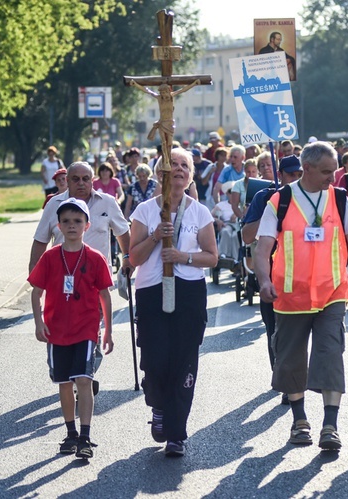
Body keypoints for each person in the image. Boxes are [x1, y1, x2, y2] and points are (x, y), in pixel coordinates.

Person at [253, 142, 348, 452]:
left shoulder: (340, 198)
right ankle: (299, 421)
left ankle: (330, 425)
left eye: (334, 171)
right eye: (325, 172)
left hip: (332, 292)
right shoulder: (280, 201)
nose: (332, 178)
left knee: (330, 353)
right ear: (306, 169)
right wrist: (264, 280)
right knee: (291, 359)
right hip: (290, 295)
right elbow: (262, 247)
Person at [128, 148, 217, 457]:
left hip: (189, 292)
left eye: (184, 165)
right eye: (173, 165)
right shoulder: (144, 210)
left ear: (190, 175)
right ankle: (159, 407)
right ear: (160, 173)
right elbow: (133, 258)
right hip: (152, 290)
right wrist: (154, 237)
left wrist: (182, 257)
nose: (178, 169)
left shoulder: (200, 212)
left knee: (184, 361)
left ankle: (176, 434)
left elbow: (212, 257)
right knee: (155, 359)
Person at [28, 197, 114, 459]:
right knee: (65, 383)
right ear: (59, 226)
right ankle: (71, 433)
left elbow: (105, 296)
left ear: (87, 226)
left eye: (77, 221)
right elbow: (35, 293)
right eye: (66, 221)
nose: (72, 226)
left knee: (84, 380)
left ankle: (86, 436)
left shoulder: (95, 258)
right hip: (56, 331)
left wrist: (108, 330)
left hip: (86, 329)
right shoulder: (51, 257)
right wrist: (38, 322)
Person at [241, 155, 303, 405]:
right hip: (271, 275)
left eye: (299, 173)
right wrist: (269, 209)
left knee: (297, 332)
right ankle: (283, 377)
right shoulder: (262, 196)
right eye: (290, 174)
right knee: (274, 331)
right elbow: (246, 236)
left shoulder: (312, 197)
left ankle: (294, 379)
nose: (296, 179)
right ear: (280, 174)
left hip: (301, 274)